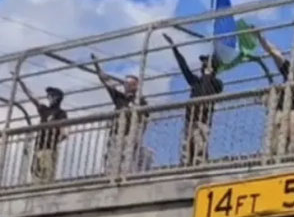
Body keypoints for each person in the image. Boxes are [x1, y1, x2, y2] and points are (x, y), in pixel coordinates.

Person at [163, 34, 224, 166]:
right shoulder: (196, 82)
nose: (202, 66)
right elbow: (184, 68)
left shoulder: (216, 83)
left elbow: (210, 89)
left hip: (203, 121)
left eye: (205, 63)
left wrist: (208, 75)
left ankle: (199, 169)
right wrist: (174, 48)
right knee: (186, 150)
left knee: (199, 149)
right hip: (190, 120)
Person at [90, 54, 149, 174]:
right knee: (113, 157)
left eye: (130, 84)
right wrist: (97, 66)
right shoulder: (119, 98)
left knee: (127, 158)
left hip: (130, 135)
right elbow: (106, 81)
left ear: (136, 86)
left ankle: (125, 175)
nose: (127, 86)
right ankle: (110, 175)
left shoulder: (141, 101)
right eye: (126, 84)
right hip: (116, 134)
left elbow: (145, 119)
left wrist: (139, 134)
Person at [14, 75, 67, 184]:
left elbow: (64, 132)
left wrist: (55, 139)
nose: (48, 97)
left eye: (51, 95)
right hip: (38, 147)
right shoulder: (45, 110)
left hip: (49, 148)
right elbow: (33, 98)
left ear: (57, 97)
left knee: (46, 173)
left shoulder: (61, 113)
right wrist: (21, 83)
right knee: (36, 172)